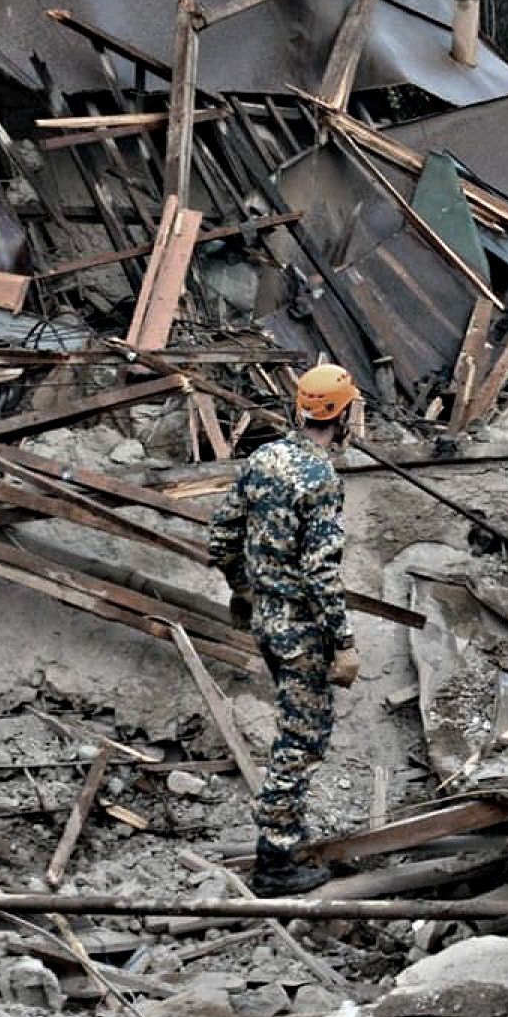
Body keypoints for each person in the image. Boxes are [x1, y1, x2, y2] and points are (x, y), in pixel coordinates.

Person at [210, 363, 365, 895]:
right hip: (301, 633)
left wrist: (242, 587)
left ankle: (282, 840)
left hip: (267, 622)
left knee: (292, 734)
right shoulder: (321, 480)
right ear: (340, 415)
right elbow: (320, 572)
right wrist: (343, 643)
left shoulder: (263, 458)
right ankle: (274, 862)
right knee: (300, 742)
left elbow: (221, 533)